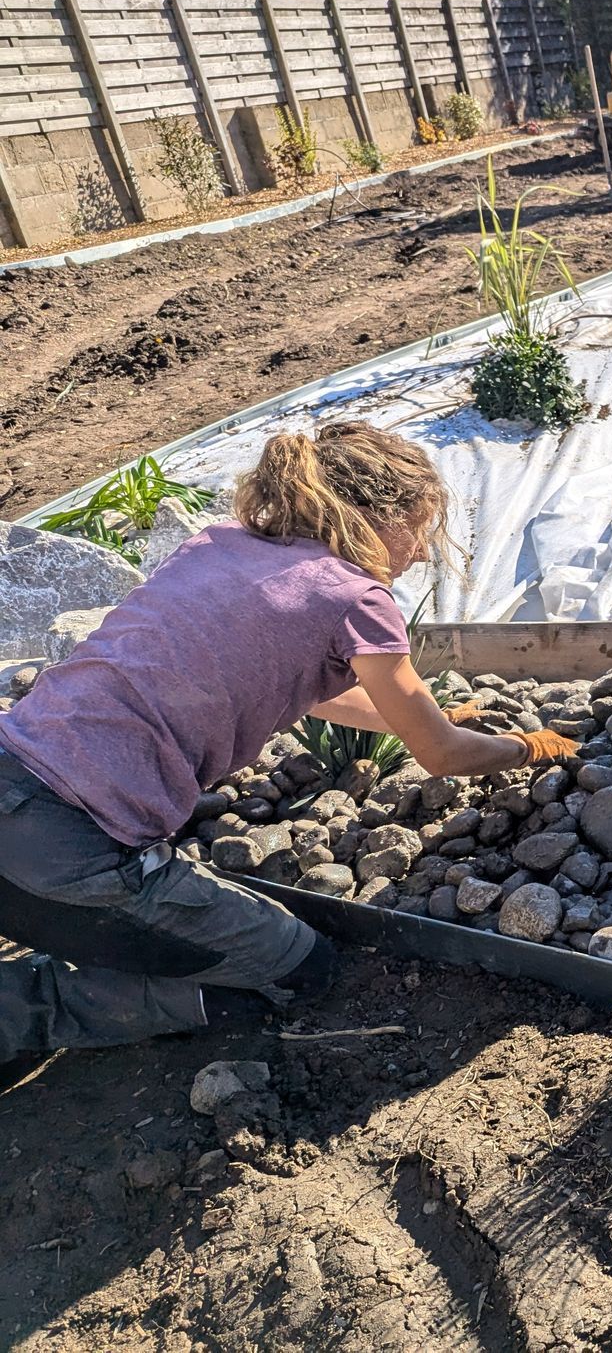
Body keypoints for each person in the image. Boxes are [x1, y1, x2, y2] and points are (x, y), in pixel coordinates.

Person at [0, 423, 576, 1084]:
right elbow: (442, 756)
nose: (420, 552)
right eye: (418, 529)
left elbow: (296, 688)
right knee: (299, 970)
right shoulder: (356, 599)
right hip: (65, 850)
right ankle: (17, 1013)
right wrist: (528, 746)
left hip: (12, 771)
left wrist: (419, 717)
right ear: (376, 516)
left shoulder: (220, 543)